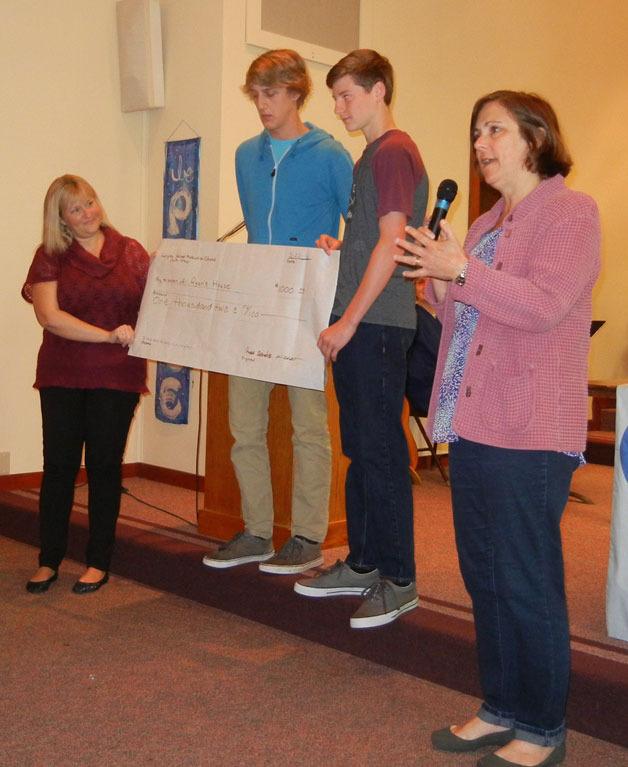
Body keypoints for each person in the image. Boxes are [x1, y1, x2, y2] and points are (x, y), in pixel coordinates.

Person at [395, 91, 600, 767]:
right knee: (484, 574)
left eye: (495, 130)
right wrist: (435, 273)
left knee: (524, 577)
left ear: (535, 138)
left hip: (532, 426)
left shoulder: (571, 212)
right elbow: (462, 308)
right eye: (476, 131)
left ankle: (543, 727)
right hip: (476, 419)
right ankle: (501, 706)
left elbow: (543, 306)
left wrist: (460, 269)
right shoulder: (485, 222)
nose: (480, 144)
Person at [202, 49, 353, 574]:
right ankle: (257, 531)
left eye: (271, 94)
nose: (262, 105)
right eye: (256, 96)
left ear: (295, 92)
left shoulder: (330, 154)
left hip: (306, 306)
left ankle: (309, 535)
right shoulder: (247, 155)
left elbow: (357, 228)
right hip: (255, 302)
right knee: (243, 423)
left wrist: (338, 243)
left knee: (309, 427)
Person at [294, 49, 429, 629]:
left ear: (379, 91)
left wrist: (347, 321)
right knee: (364, 450)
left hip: (374, 326)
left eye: (348, 94)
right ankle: (364, 560)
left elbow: (394, 243)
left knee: (381, 453)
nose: (340, 107)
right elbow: (371, 239)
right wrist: (340, 248)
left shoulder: (394, 150)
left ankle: (398, 579)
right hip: (364, 325)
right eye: (336, 98)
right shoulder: (371, 157)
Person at [23, 175, 149, 595]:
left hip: (117, 377)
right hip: (63, 373)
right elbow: (49, 316)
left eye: (90, 202)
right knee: (58, 468)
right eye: (75, 209)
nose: (87, 213)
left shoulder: (131, 252)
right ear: (60, 219)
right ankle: (49, 560)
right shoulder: (50, 256)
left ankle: (98, 561)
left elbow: (156, 305)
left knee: (104, 469)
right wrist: (108, 335)